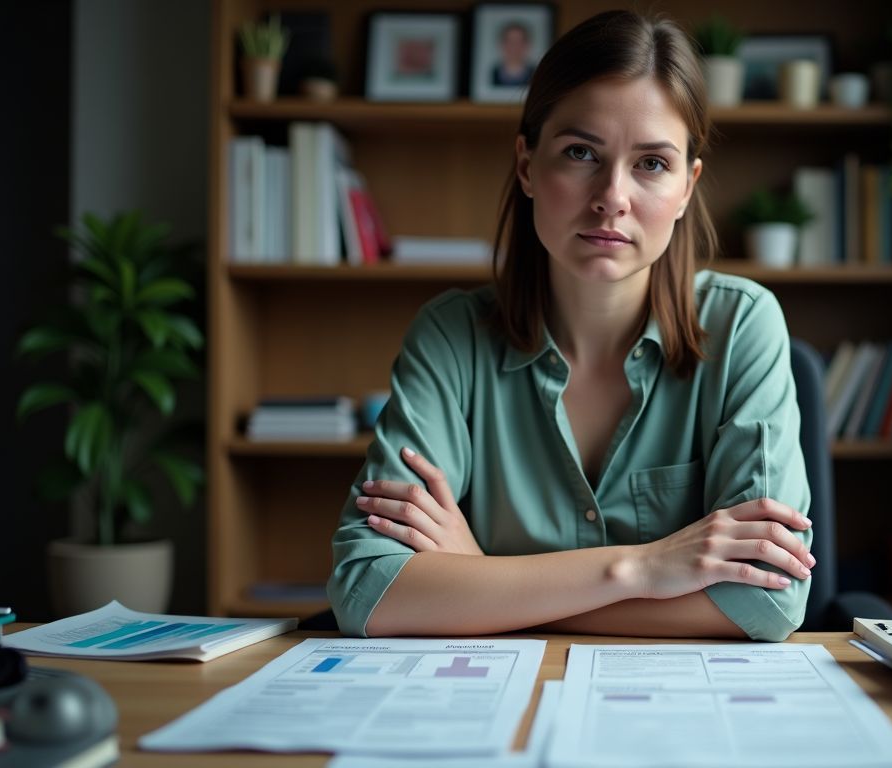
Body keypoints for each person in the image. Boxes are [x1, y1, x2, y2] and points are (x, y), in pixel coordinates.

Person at [328, 10, 814, 642]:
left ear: (688, 187)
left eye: (652, 164)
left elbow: (768, 605)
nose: (612, 195)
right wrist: (643, 568)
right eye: (581, 152)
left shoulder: (743, 324)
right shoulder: (450, 337)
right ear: (528, 166)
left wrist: (480, 579)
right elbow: (369, 589)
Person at [491, 21, 534, 87]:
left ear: (527, 45)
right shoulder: (491, 75)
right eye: (510, 41)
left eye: (519, 42)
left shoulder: (536, 74)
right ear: (502, 44)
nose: (514, 47)